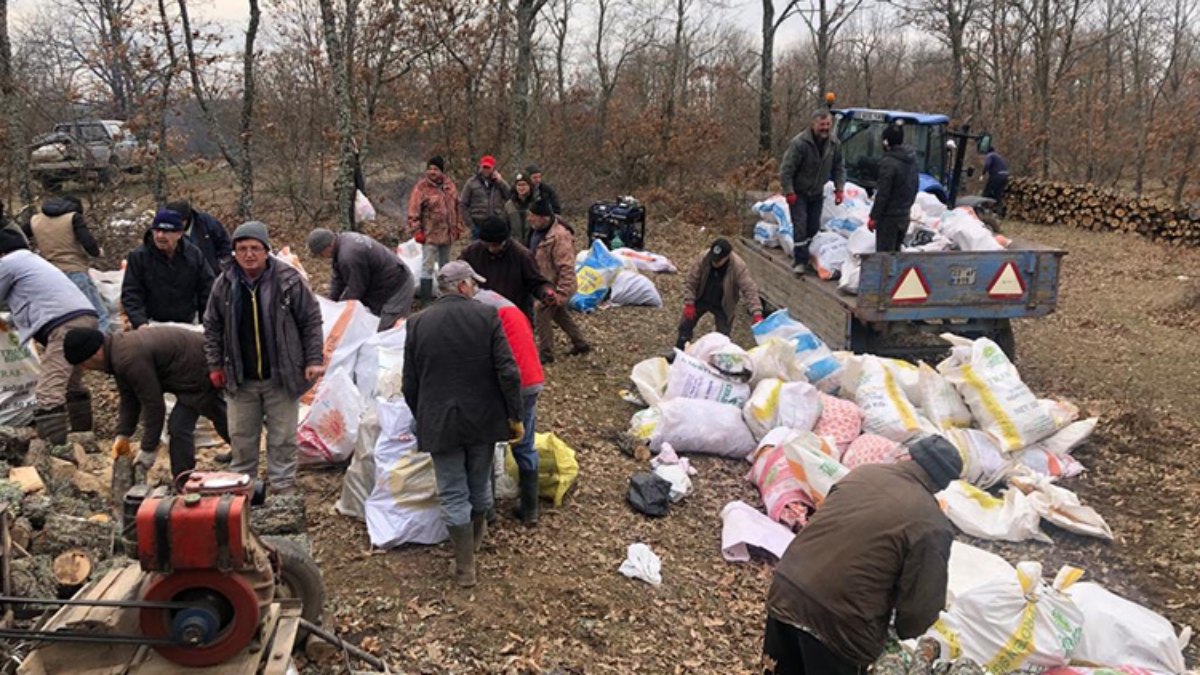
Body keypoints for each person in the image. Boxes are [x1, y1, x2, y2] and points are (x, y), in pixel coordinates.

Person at [763, 436, 962, 674]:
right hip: (840, 624)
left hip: (787, 589)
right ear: (942, 484)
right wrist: (902, 630)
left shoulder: (863, 474)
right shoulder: (932, 524)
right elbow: (921, 607)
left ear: (909, 456)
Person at [402, 261, 523, 587]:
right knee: (480, 484)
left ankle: (465, 567)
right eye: (472, 284)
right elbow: (508, 372)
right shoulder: (486, 316)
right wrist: (514, 415)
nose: (475, 289)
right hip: (483, 419)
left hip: (440, 421)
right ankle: (475, 544)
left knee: (453, 492)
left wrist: (422, 415)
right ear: (462, 286)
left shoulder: (417, 323)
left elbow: (409, 384)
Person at [203, 221, 325, 495]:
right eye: (242, 249)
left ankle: (282, 488)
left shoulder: (288, 280)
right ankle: (241, 489)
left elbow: (311, 320)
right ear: (234, 252)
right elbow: (211, 326)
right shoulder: (224, 284)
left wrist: (313, 358)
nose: (248, 254)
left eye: (255, 248)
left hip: (281, 376)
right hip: (240, 377)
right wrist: (214, 364)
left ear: (266, 250)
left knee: (283, 438)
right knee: (242, 438)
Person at [63, 325, 231, 480]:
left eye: (83, 364)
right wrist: (123, 434)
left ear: (95, 353)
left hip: (197, 368)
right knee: (215, 410)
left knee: (179, 427)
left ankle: (183, 478)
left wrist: (148, 450)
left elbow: (153, 405)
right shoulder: (117, 352)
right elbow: (129, 398)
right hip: (190, 365)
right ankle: (241, 448)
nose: (85, 369)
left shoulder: (128, 359)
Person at [0, 230, 99, 444]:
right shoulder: (34, 261)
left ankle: (54, 452)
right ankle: (85, 440)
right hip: (85, 316)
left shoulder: (9, 262)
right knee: (72, 384)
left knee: (48, 391)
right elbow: (34, 300)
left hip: (63, 324)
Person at [474, 289, 544, 525]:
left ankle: (488, 510)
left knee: (487, 441)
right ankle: (530, 510)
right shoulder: (508, 307)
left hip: (511, 381)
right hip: (532, 378)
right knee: (525, 444)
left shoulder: (481, 312)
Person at [22, 195, 110, 333]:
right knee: (99, 315)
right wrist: (98, 252)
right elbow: (89, 244)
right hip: (74, 271)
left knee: (64, 320)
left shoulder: (35, 219)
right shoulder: (74, 218)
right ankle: (99, 348)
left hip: (49, 276)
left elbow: (18, 237)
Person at [306, 228, 416, 331]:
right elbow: (338, 280)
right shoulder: (342, 241)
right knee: (372, 323)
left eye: (321, 254)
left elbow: (356, 289)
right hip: (381, 285)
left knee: (387, 331)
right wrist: (332, 304)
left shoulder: (349, 256)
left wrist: (341, 311)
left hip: (398, 286)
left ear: (327, 247)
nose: (322, 257)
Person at [122, 209, 215, 329]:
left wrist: (207, 324)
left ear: (179, 234)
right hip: (151, 324)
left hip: (186, 324)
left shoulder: (194, 255)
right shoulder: (138, 256)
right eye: (157, 231)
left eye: (166, 231)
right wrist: (140, 323)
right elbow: (131, 293)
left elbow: (208, 290)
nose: (160, 236)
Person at [780, 109, 846, 274]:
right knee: (800, 225)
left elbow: (839, 167)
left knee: (813, 227)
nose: (825, 128)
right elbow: (786, 170)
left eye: (828, 124)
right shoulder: (800, 144)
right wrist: (789, 191)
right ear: (813, 124)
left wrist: (839, 189)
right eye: (822, 125)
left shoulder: (834, 144)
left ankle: (810, 256)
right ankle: (800, 261)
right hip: (799, 192)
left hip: (817, 193)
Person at [459, 216, 556, 325]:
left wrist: (545, 293)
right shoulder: (471, 252)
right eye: (487, 245)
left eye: (496, 245)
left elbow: (535, 282)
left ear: (504, 240)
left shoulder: (521, 255)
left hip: (514, 314)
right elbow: (458, 275)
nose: (491, 249)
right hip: (482, 316)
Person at [527, 199, 589, 362]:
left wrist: (560, 294)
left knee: (541, 313)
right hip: (544, 282)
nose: (529, 219)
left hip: (555, 286)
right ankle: (580, 343)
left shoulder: (560, 236)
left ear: (545, 218)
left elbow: (566, 268)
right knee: (560, 314)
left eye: (533, 216)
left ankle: (546, 354)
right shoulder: (537, 230)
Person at [676, 238, 762, 351]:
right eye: (713, 259)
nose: (714, 263)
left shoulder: (738, 267)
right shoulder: (704, 258)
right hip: (702, 297)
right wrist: (689, 303)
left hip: (723, 303)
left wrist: (756, 312)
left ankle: (718, 358)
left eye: (718, 260)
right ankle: (679, 349)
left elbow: (749, 289)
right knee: (685, 325)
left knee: (723, 337)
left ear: (727, 257)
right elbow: (692, 281)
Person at [407, 156, 463, 303]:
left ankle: (445, 298)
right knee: (427, 267)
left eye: (436, 169)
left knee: (446, 265)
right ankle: (426, 302)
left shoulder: (449, 185)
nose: (432, 172)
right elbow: (413, 210)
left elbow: (456, 206)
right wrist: (416, 230)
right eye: (430, 168)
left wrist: (458, 226)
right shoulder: (421, 187)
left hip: (448, 233)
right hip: (429, 234)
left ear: (441, 171)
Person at [867, 124, 919, 253]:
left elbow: (883, 193)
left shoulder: (889, 163)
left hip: (888, 219)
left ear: (886, 141)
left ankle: (885, 274)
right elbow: (915, 187)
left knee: (884, 257)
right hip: (904, 216)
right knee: (896, 255)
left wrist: (874, 217)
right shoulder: (911, 161)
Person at [167, 200, 232, 274]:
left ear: (187, 218)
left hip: (214, 276)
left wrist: (223, 267)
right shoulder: (166, 232)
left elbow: (225, 245)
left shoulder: (206, 223)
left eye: (178, 222)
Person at [459, 155, 511, 239]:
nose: (486, 170)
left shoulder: (499, 183)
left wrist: (501, 182)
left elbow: (510, 196)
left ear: (493, 168)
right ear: (480, 167)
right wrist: (471, 226)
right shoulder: (471, 183)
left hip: (497, 225)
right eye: (484, 167)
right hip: (479, 226)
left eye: (488, 167)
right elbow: (463, 204)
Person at [505, 173, 537, 247]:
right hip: (514, 246)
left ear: (530, 186)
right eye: (519, 185)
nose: (521, 188)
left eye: (524, 185)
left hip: (533, 245)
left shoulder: (536, 203)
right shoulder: (509, 205)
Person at [981, 146, 1010, 216]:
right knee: (998, 194)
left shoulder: (990, 155)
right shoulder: (998, 156)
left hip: (997, 175)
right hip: (1005, 176)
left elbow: (987, 164)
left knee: (986, 192)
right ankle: (999, 212)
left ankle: (983, 209)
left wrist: (983, 174)